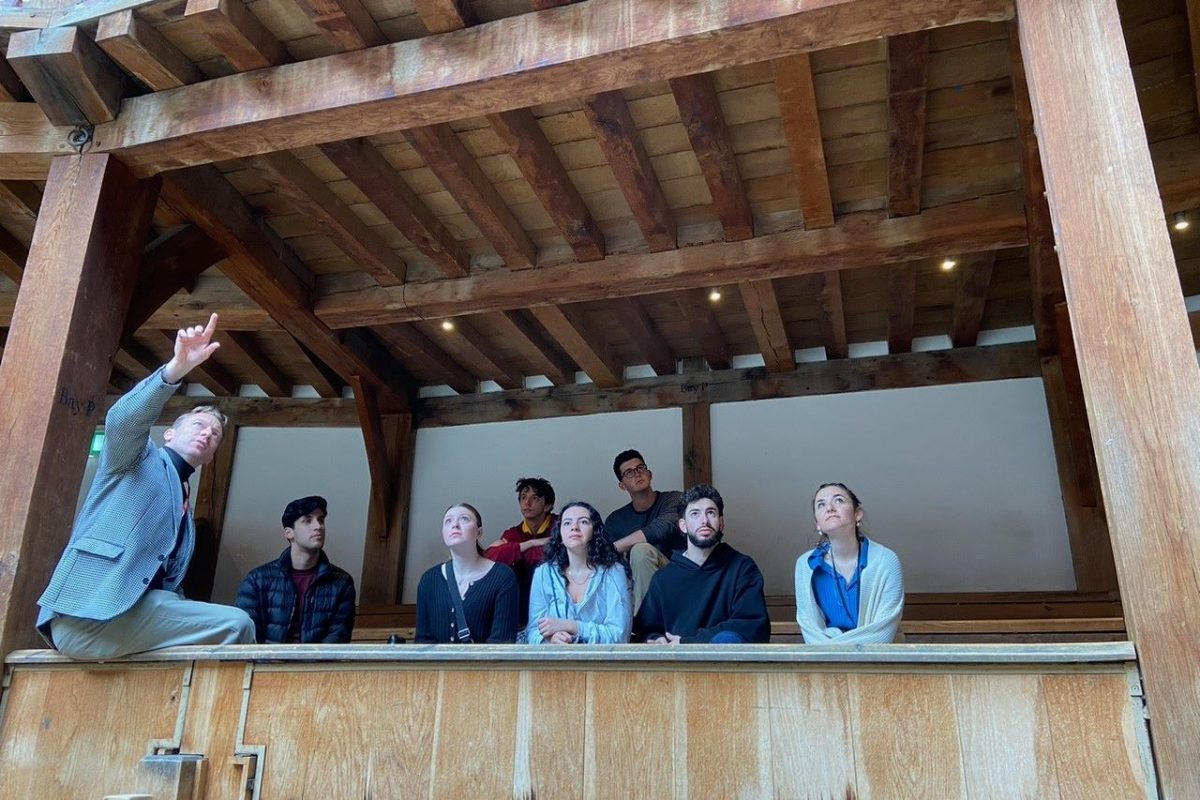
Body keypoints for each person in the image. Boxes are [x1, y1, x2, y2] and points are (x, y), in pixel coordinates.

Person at [36, 314, 255, 659]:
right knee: (237, 625)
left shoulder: (183, 509)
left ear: (212, 456)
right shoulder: (135, 459)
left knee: (195, 612)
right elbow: (123, 419)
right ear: (169, 433)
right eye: (198, 424)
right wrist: (176, 369)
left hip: (133, 620)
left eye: (214, 436)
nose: (206, 434)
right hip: (86, 615)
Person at [635, 484, 770, 644]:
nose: (704, 521)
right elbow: (646, 629)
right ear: (683, 526)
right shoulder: (663, 579)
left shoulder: (742, 568)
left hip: (725, 664)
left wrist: (688, 642)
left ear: (721, 523)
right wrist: (655, 639)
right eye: (695, 514)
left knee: (727, 639)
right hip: (676, 665)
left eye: (711, 513)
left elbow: (752, 625)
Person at [235, 496, 357, 643]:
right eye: (307, 520)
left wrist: (309, 665)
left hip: (318, 664)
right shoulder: (257, 580)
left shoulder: (341, 582)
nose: (318, 526)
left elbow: (338, 637)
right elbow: (249, 634)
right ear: (289, 533)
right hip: (265, 664)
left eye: (321, 520)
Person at [794, 483, 904, 644]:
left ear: (857, 513)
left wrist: (832, 645)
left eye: (838, 500)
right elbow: (810, 633)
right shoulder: (805, 565)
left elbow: (882, 634)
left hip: (879, 664)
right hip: (824, 665)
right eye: (821, 504)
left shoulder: (886, 561)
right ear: (817, 524)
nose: (829, 508)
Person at [525, 501, 632, 644]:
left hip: (603, 664)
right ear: (560, 535)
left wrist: (572, 626)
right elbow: (533, 632)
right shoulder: (544, 573)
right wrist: (549, 639)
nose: (574, 527)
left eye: (583, 522)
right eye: (567, 523)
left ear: (595, 532)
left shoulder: (613, 572)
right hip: (556, 662)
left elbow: (620, 636)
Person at [415, 503, 520, 643]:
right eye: (448, 521)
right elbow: (423, 641)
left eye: (464, 519)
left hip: (488, 664)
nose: (455, 525)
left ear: (479, 532)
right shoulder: (429, 580)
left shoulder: (503, 577)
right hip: (436, 665)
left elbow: (502, 641)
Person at [603, 449, 683, 613]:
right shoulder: (615, 520)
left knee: (640, 550)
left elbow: (660, 530)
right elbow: (607, 561)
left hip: (678, 578)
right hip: (634, 588)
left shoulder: (674, 499)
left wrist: (614, 546)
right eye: (629, 473)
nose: (637, 474)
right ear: (622, 486)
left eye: (641, 468)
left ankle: (645, 627)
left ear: (650, 473)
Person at [484, 477, 557, 627]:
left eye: (534, 498)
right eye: (523, 498)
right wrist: (531, 543)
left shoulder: (562, 525)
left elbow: (560, 552)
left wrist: (516, 551)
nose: (526, 503)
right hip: (521, 599)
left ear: (547, 505)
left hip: (554, 597)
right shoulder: (513, 533)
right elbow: (490, 557)